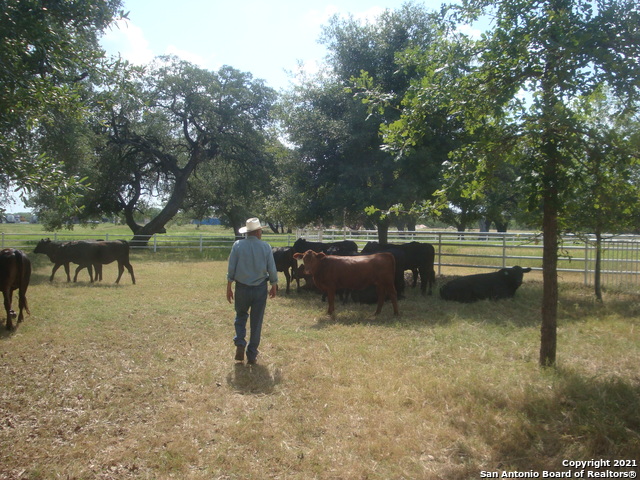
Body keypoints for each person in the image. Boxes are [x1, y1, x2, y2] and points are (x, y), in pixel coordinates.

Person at [226, 218, 278, 364]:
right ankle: (252, 353)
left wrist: (229, 286)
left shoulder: (237, 245)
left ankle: (240, 342)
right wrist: (274, 284)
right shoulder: (265, 247)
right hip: (260, 288)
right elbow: (271, 268)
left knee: (241, 315)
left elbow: (231, 267)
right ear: (257, 231)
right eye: (260, 230)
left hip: (242, 287)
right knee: (256, 321)